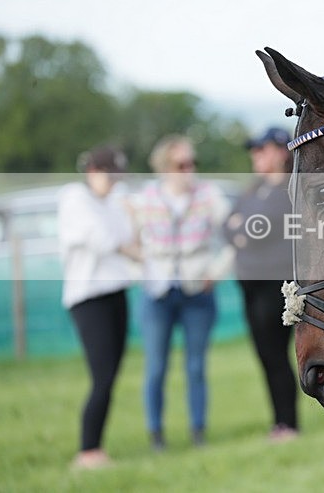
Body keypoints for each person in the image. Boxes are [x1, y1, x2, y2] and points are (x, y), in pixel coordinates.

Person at [129, 135, 232, 449]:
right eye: (181, 164)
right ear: (164, 167)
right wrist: (142, 273)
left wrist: (215, 272)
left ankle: (198, 431)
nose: (189, 169)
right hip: (157, 294)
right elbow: (129, 244)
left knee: (196, 366)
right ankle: (156, 434)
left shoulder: (209, 196)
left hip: (197, 294)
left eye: (192, 162)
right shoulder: (144, 199)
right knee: (156, 367)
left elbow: (234, 236)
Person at [58, 145, 138, 469]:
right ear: (93, 171)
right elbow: (105, 239)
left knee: (111, 374)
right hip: (89, 298)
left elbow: (128, 235)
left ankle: (96, 448)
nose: (115, 183)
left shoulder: (112, 203)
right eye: (110, 175)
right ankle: (87, 450)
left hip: (116, 292)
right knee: (102, 376)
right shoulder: (75, 198)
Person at [223, 127, 299, 442]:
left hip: (275, 284)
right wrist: (240, 231)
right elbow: (227, 228)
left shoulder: (288, 191)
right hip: (249, 283)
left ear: (281, 152)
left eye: (262, 150)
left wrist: (241, 231)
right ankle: (279, 422)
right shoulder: (253, 189)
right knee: (265, 355)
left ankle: (288, 424)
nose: (256, 156)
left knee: (276, 354)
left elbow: (255, 232)